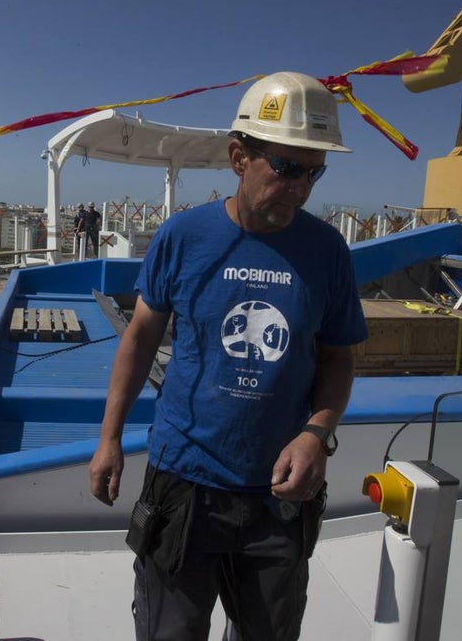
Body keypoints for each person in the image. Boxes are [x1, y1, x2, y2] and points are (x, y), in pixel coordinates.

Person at [88, 72, 368, 641]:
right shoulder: (184, 236)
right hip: (185, 482)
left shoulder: (327, 252)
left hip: (278, 495)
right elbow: (140, 338)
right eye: (286, 168)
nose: (299, 188)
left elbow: (338, 356)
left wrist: (316, 434)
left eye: (313, 172)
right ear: (240, 157)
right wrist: (110, 438)